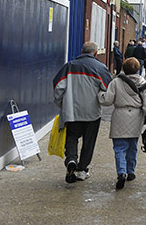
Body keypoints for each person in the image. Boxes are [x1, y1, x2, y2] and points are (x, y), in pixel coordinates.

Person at [53, 41, 112, 184]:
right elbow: (108, 89)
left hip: (72, 111)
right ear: (96, 53)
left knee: (71, 137)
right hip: (92, 113)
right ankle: (82, 169)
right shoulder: (100, 68)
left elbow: (58, 88)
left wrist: (61, 104)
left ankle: (71, 159)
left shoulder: (69, 66)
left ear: (81, 51)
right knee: (89, 142)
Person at [98, 57, 146, 189]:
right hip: (136, 117)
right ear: (138, 69)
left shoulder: (116, 82)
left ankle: (121, 172)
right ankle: (131, 171)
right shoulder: (143, 83)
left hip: (120, 116)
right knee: (132, 147)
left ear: (124, 68)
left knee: (119, 148)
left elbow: (107, 100)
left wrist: (99, 94)